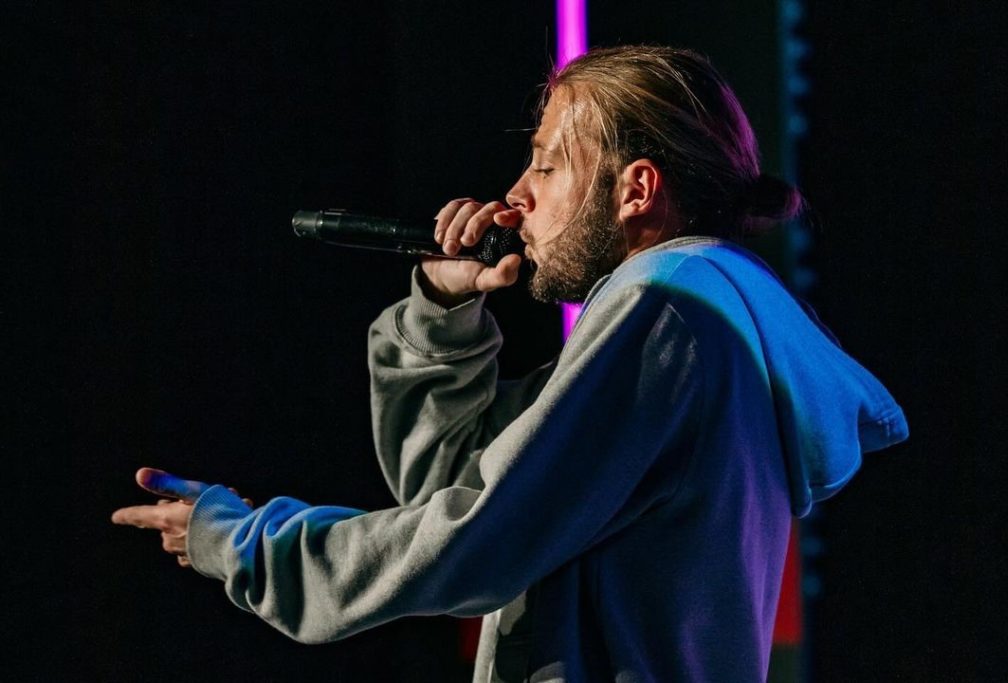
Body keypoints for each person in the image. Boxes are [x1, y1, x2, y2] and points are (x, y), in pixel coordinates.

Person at [113, 46, 908, 682]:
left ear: (635, 188)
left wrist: (249, 544)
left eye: (547, 165)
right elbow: (458, 490)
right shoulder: (702, 316)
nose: (515, 196)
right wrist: (443, 311)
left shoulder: (666, 302)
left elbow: (473, 539)